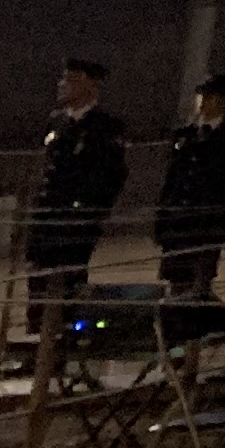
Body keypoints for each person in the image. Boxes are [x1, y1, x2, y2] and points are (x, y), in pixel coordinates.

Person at [26, 58, 131, 341]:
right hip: (48, 219)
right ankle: (38, 345)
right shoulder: (57, 122)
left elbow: (110, 177)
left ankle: (63, 343)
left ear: (90, 86)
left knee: (68, 282)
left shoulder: (105, 127)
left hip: (75, 223)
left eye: (71, 79)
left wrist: (86, 212)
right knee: (37, 282)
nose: (62, 85)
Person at [156, 71, 225, 301]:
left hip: (206, 225)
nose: (203, 102)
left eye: (210, 96)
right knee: (175, 284)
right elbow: (172, 180)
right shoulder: (185, 136)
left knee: (199, 288)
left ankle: (199, 331)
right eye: (202, 96)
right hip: (177, 223)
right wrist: (162, 216)